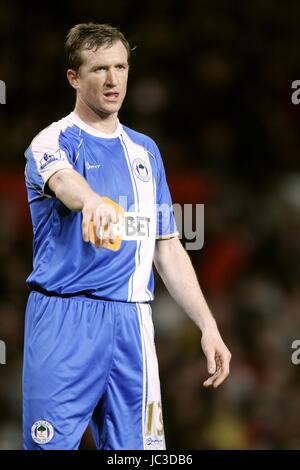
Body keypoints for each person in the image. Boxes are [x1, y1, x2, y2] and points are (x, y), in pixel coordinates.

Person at [23, 22, 231, 451]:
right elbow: (64, 183)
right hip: (64, 321)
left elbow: (166, 244)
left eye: (121, 67)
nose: (114, 79)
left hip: (133, 324)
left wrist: (208, 325)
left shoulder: (145, 151)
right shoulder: (51, 141)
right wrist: (93, 202)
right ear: (74, 78)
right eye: (100, 69)